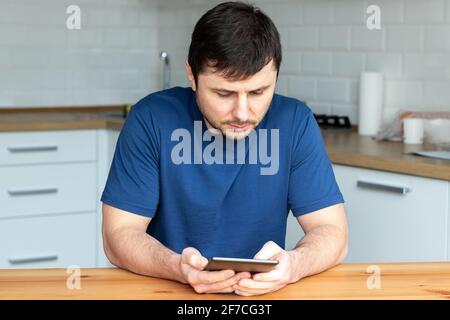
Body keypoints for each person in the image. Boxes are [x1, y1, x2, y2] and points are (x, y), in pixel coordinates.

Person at [101, 1, 348, 296]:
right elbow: (118, 235)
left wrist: (294, 264)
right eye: (223, 93)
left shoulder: (294, 122)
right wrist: (177, 267)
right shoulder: (151, 119)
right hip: (169, 292)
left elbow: (333, 233)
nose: (243, 112)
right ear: (192, 76)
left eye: (258, 92)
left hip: (259, 299)